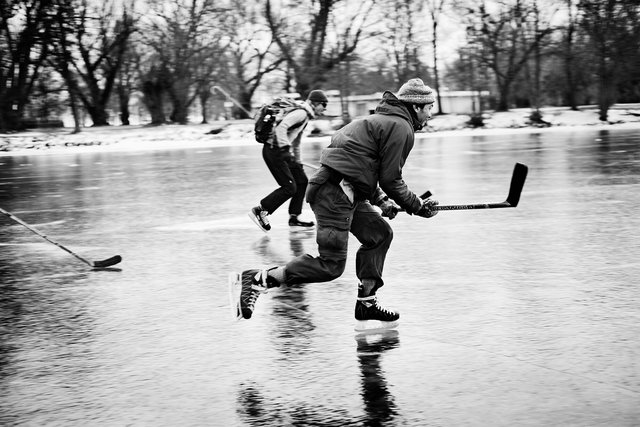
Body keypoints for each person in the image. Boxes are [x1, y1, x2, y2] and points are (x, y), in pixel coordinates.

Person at [236, 78, 439, 330]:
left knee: (379, 234)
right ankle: (258, 279)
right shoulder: (400, 128)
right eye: (429, 107)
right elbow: (390, 179)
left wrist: (382, 200)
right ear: (416, 107)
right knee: (330, 266)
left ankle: (366, 303)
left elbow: (359, 168)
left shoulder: (376, 121)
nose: (431, 114)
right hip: (334, 196)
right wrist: (417, 206)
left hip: (343, 190)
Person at [249, 90, 329, 232]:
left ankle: (294, 217)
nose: (324, 108)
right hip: (273, 151)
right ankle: (261, 210)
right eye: (323, 104)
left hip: (282, 151)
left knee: (302, 181)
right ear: (315, 103)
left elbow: (296, 142)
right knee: (289, 187)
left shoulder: (305, 117)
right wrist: (285, 149)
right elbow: (282, 127)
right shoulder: (301, 113)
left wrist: (297, 162)